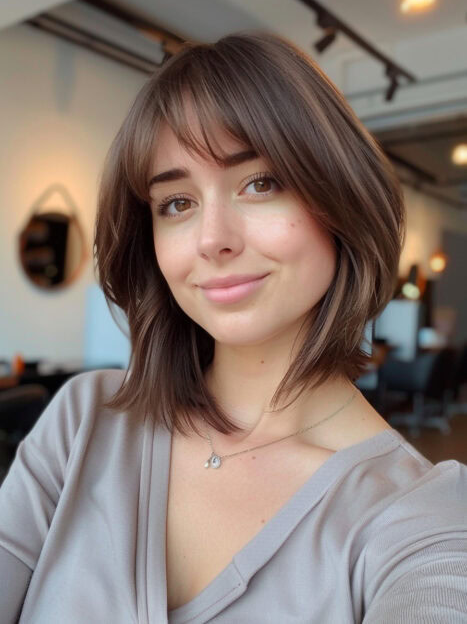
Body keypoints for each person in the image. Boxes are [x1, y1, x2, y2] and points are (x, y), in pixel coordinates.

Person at [1, 31, 466, 623]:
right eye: (176, 203)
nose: (212, 239)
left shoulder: (420, 517)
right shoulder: (86, 421)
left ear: (342, 197)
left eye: (261, 182)